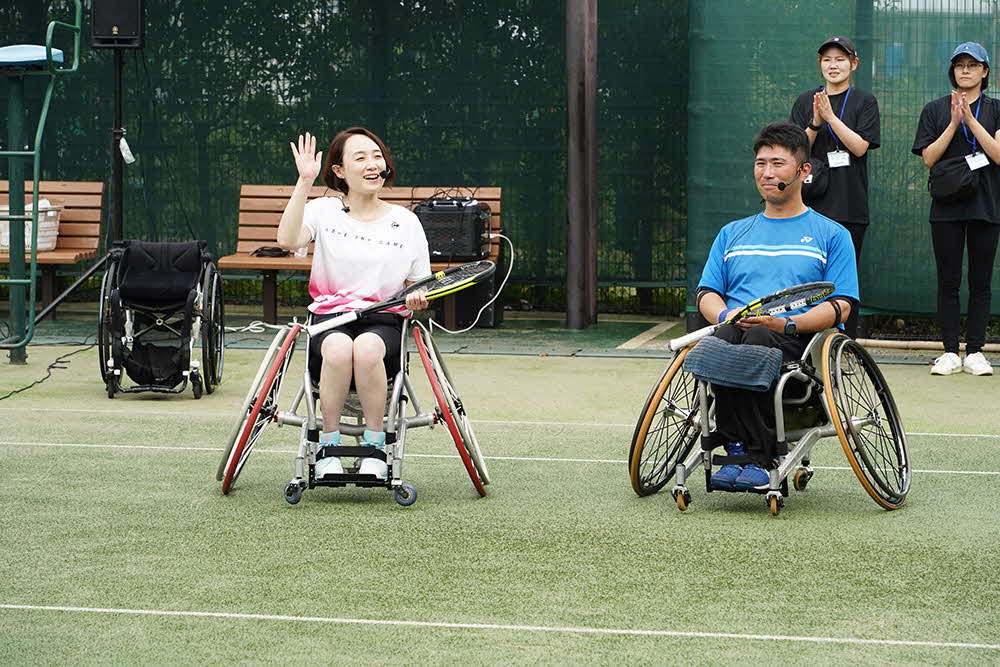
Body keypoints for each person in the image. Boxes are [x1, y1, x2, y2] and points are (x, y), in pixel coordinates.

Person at [696, 122, 859, 492]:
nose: (767, 173)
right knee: (724, 336)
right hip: (735, 332)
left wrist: (785, 324)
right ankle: (736, 446)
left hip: (796, 342)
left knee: (755, 335)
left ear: (804, 171)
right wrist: (726, 315)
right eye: (760, 163)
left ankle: (758, 453)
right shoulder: (732, 233)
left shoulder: (832, 234)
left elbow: (841, 307)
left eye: (778, 163)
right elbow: (707, 293)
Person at [277, 128, 430, 479]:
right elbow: (287, 240)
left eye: (377, 156)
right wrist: (304, 181)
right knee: (337, 349)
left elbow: (418, 283)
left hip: (384, 320)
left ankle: (376, 449)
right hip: (330, 318)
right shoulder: (323, 210)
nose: (373, 164)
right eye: (360, 158)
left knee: (364, 348)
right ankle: (328, 447)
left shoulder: (406, 222)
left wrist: (418, 296)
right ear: (340, 171)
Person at [912, 42, 1000, 377]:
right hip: (946, 206)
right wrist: (952, 122)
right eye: (959, 65)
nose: (965, 70)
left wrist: (971, 120)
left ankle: (976, 351)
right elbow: (929, 158)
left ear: (984, 71)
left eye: (972, 65)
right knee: (948, 280)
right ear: (953, 70)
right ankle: (949, 351)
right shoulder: (934, 110)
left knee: (981, 281)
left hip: (987, 205)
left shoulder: (996, 109)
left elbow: (998, 154)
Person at [790, 36, 880, 339]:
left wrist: (830, 117)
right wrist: (816, 123)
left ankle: (845, 346)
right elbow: (795, 153)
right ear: (819, 64)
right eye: (827, 59)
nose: (833, 65)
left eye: (841, 59)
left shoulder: (865, 101)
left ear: (853, 64)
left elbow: (859, 147)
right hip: (808, 207)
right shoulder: (805, 101)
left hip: (851, 207)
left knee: (843, 282)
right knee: (806, 277)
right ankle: (803, 342)